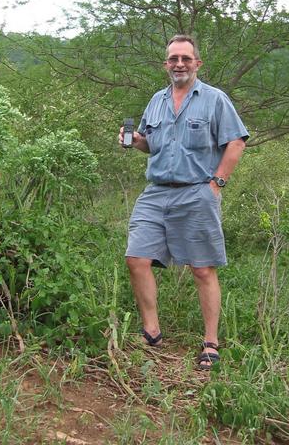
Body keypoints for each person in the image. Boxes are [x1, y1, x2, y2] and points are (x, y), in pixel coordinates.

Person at [118, 34, 249, 369]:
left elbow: (236, 142)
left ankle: (210, 341)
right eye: (173, 59)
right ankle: (151, 331)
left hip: (197, 191)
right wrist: (133, 140)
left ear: (197, 63)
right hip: (157, 190)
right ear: (166, 64)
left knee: (202, 268)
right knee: (136, 258)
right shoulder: (156, 101)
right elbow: (149, 143)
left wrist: (216, 184)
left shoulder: (215, 99)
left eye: (185, 59)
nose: (179, 64)